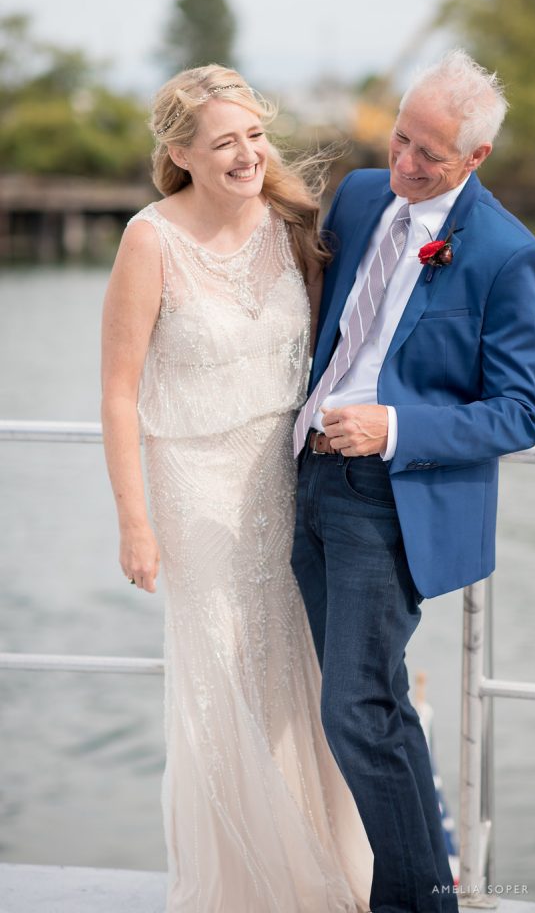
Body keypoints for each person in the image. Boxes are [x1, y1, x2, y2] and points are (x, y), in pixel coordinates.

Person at [101, 65, 372, 913]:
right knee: (223, 686)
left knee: (297, 676)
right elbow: (118, 389)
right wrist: (134, 523)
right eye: (225, 142)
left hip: (288, 481)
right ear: (180, 153)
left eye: (255, 135)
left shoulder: (290, 222)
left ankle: (316, 876)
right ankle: (240, 890)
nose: (249, 154)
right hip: (195, 491)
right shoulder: (151, 239)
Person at [292, 49, 535, 913]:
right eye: (399, 138)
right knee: (372, 705)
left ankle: (419, 903)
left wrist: (394, 426)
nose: (404, 164)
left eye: (428, 155)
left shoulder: (510, 256)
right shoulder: (363, 194)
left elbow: (521, 412)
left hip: (389, 498)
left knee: (357, 713)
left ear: (475, 159)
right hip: (305, 478)